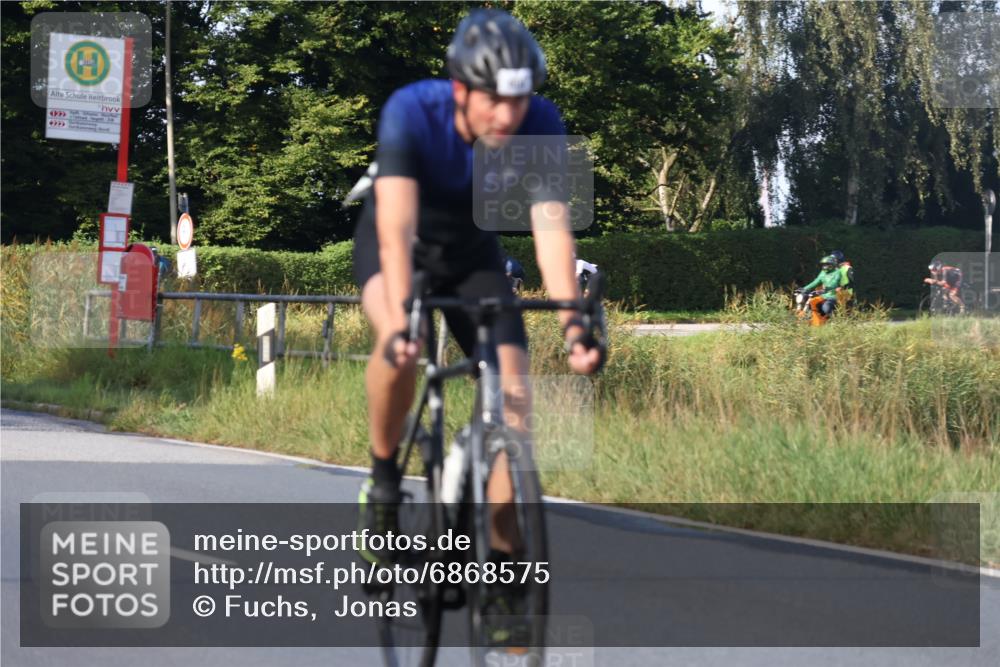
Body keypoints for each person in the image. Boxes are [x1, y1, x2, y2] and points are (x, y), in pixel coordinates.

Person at [350, 8, 603, 633]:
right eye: (494, 101)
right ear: (462, 91)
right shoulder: (414, 111)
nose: (508, 117)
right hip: (398, 249)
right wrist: (404, 318)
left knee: (514, 403)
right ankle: (383, 486)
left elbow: (550, 228)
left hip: (473, 259)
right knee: (398, 349)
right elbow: (397, 227)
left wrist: (574, 324)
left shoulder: (541, 124)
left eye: (519, 102)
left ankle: (503, 570)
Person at [800, 255, 842, 322]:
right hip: (822, 296)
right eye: (823, 265)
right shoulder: (823, 272)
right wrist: (804, 288)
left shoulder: (837, 272)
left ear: (832, 265)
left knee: (826, 308)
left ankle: (831, 322)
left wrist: (826, 289)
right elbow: (816, 282)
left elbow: (834, 283)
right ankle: (811, 320)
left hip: (831, 296)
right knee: (810, 302)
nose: (824, 266)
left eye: (827, 264)